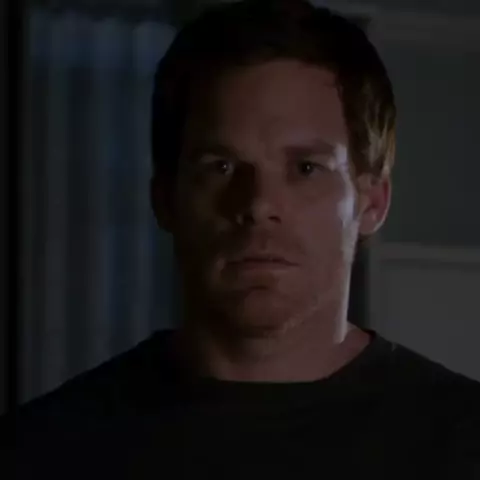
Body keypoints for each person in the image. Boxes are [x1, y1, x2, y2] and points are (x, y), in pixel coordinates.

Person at [3, 1, 480, 478]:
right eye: (222, 167)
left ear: (372, 203)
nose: (257, 203)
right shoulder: (42, 450)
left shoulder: (462, 443)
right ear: (165, 199)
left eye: (306, 168)